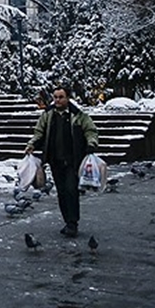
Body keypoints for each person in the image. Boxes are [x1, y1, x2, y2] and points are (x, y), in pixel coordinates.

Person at [23, 85, 99, 237]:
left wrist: (91, 144)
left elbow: (90, 130)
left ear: (67, 98)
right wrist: (31, 145)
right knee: (62, 192)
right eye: (55, 97)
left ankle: (73, 223)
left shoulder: (78, 114)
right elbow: (39, 131)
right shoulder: (48, 114)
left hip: (73, 160)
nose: (57, 100)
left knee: (71, 190)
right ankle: (67, 221)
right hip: (55, 160)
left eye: (60, 97)